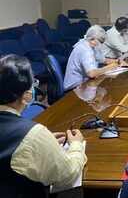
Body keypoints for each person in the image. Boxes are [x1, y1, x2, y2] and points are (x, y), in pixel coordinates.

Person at [0, 54, 87, 198]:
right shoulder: (33, 135)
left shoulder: (32, 138)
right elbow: (67, 175)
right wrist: (76, 145)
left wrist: (41, 143)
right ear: (27, 95)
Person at [64, 25, 119, 90]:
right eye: (101, 41)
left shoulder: (90, 44)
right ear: (92, 39)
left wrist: (118, 61)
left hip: (83, 82)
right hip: (75, 87)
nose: (101, 44)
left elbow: (103, 60)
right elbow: (92, 73)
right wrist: (109, 67)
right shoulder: (85, 50)